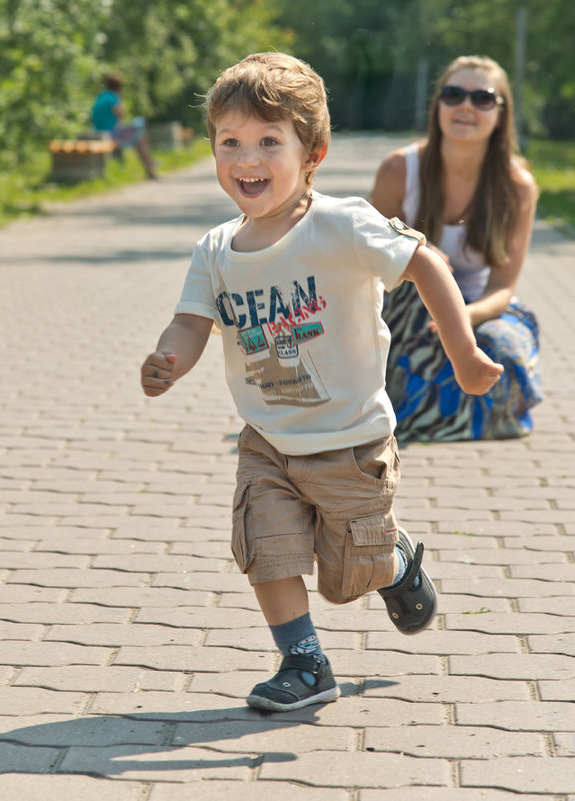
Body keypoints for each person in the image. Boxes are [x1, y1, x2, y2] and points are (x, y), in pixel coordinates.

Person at [140, 53, 502, 712]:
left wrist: (465, 352)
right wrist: (169, 357)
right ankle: (305, 663)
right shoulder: (216, 250)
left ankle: (393, 561)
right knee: (267, 549)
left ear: (313, 152)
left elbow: (425, 262)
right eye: (230, 142)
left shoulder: (339, 224)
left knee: (346, 577)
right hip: (269, 441)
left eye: (268, 142)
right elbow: (191, 322)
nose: (246, 158)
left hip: (351, 441)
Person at [371, 55, 541, 442]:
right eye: (453, 94)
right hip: (406, 304)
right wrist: (418, 250)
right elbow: (365, 257)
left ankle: (437, 414)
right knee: (421, 293)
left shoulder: (518, 186)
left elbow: (502, 288)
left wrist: (462, 316)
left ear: (501, 113)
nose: (465, 106)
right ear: (438, 106)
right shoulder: (400, 169)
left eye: (482, 98)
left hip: (478, 304)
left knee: (502, 347)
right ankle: (405, 410)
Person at [91, 73, 157, 180]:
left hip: (100, 131)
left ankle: (148, 166)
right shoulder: (113, 98)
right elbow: (121, 115)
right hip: (111, 133)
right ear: (119, 87)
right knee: (141, 135)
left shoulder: (102, 96)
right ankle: (150, 168)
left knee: (138, 133)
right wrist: (120, 98)